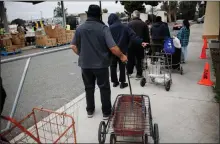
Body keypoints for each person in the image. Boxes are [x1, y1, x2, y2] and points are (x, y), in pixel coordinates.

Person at [70, 5, 127, 120]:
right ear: (99, 15)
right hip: (101, 65)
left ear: (88, 14)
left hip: (85, 66)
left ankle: (90, 110)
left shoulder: (80, 28)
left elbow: (73, 46)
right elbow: (113, 47)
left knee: (88, 87)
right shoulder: (103, 28)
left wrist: (82, 55)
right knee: (104, 87)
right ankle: (106, 112)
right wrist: (122, 56)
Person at [108, 13, 148, 89]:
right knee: (122, 66)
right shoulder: (125, 27)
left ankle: (115, 82)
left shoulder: (109, 28)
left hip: (112, 50)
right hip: (122, 50)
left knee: (112, 66)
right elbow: (133, 36)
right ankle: (122, 83)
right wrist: (141, 42)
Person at [127, 10, 150, 78]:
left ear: (133, 16)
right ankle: (139, 74)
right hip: (140, 44)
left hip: (131, 44)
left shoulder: (129, 24)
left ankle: (129, 72)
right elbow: (146, 36)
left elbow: (127, 35)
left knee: (130, 59)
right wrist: (147, 45)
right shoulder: (144, 24)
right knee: (139, 59)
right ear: (139, 16)